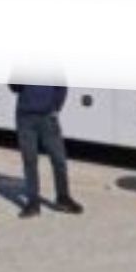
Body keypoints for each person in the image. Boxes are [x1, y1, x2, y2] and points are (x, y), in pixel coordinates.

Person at [12, 83, 82, 219]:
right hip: (25, 117)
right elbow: (14, 87)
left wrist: (56, 107)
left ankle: (63, 198)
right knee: (30, 161)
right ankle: (33, 203)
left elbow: (61, 86)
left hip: (47, 117)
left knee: (59, 159)